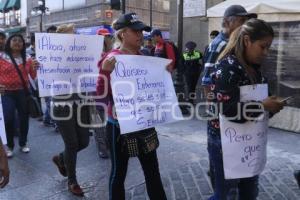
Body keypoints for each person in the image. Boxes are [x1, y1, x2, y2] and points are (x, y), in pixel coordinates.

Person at [209, 18, 284, 200]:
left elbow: (261, 108)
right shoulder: (227, 67)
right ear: (247, 40)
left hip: (250, 143)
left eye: (268, 47)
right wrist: (263, 106)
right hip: (224, 144)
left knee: (250, 191)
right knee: (226, 194)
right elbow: (228, 111)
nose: (266, 52)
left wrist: (272, 106)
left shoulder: (256, 68)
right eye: (262, 46)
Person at [97, 12, 167, 200]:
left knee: (152, 170)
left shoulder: (144, 55)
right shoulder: (111, 58)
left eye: (141, 31)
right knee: (118, 173)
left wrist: (163, 74)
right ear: (122, 34)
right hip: (119, 127)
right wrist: (105, 71)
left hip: (144, 122)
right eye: (135, 31)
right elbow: (100, 95)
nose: (140, 35)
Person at [201, 5, 257, 190]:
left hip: (235, 120)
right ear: (227, 22)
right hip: (224, 123)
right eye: (242, 21)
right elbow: (207, 82)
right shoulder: (220, 45)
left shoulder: (239, 43)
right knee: (225, 181)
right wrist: (215, 116)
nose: (246, 25)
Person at [51, 24, 90, 197]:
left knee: (84, 142)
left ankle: (61, 157)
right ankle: (72, 181)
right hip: (61, 105)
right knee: (72, 143)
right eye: (68, 35)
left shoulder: (82, 54)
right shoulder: (51, 54)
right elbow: (38, 75)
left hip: (81, 102)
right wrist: (36, 65)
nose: (72, 37)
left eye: (73, 35)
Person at [0, 34, 39, 157]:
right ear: (9, 42)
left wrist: (37, 67)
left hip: (23, 92)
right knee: (8, 118)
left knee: (23, 118)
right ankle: (9, 145)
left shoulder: (28, 59)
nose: (17, 42)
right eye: (14, 40)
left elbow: (33, 76)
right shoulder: (1, 57)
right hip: (6, 93)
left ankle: (23, 143)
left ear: (23, 44)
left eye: (20, 41)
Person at [93, 27, 114, 159]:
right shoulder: (91, 54)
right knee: (97, 123)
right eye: (104, 37)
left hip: (108, 94)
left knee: (107, 122)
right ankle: (102, 148)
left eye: (107, 37)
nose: (106, 39)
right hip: (94, 94)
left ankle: (106, 144)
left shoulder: (112, 54)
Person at [43, 25, 58, 129]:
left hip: (58, 78)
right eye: (50, 32)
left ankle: (48, 119)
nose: (52, 34)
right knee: (50, 101)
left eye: (54, 32)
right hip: (46, 79)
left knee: (54, 101)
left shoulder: (61, 45)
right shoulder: (43, 46)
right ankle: (54, 122)